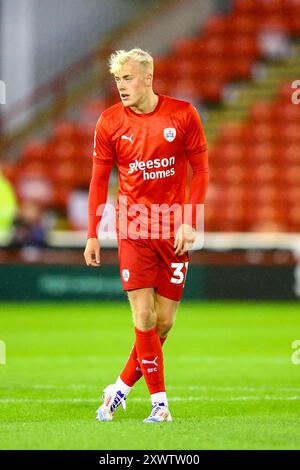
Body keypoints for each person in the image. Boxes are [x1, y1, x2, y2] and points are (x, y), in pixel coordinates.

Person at [84, 48, 209, 423]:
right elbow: (97, 180)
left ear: (148, 78)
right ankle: (160, 404)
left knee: (164, 322)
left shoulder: (183, 114)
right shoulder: (109, 123)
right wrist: (92, 233)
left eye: (128, 78)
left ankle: (119, 388)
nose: (121, 86)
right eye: (117, 79)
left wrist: (190, 220)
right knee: (144, 315)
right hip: (133, 226)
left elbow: (201, 171)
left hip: (173, 229)